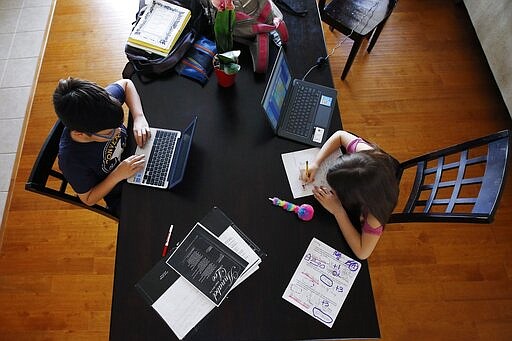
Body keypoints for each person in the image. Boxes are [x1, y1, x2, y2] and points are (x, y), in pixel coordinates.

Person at [52, 77, 151, 217]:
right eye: (109, 133)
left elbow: (126, 84)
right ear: (80, 134)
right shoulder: (71, 160)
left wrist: (139, 117)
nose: (118, 132)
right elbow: (88, 198)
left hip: (135, 150)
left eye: (119, 125)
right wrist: (118, 174)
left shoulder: (100, 107)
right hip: (120, 187)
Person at [302, 130, 400, 259]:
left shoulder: (374, 215)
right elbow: (340, 135)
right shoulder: (365, 154)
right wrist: (316, 163)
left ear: (354, 198)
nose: (331, 189)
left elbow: (362, 253)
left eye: (335, 189)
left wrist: (338, 211)